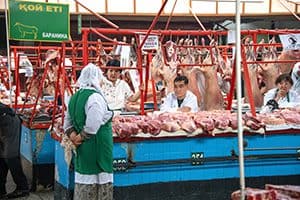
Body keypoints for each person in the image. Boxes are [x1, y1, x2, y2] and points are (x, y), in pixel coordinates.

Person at [63, 63, 114, 200]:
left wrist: (73, 136)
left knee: (84, 181)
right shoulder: (95, 98)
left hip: (83, 150)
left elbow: (67, 123)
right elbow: (92, 126)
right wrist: (80, 138)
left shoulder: (74, 97)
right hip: (97, 149)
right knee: (98, 183)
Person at [0, 103, 29, 199]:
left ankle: (22, 188)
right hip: (3, 122)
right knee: (1, 156)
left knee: (10, 155)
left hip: (8, 121)